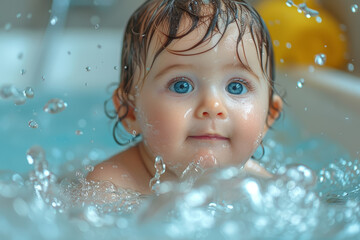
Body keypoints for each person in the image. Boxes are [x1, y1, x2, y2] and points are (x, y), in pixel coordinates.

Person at [87, 0, 283, 195]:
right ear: (130, 112)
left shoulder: (260, 186)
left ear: (268, 116)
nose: (213, 106)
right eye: (181, 86)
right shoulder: (107, 189)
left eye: (236, 87)